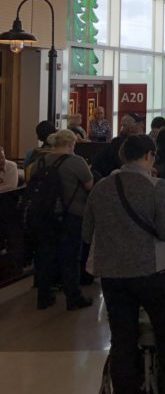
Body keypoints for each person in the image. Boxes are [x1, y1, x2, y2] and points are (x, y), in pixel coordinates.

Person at [82, 134, 165, 394]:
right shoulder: (156, 187)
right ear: (150, 156)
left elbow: (87, 232)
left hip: (113, 275)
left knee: (122, 339)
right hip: (151, 270)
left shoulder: (100, 188)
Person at [32, 129, 95, 310]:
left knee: (45, 256)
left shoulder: (40, 161)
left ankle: (43, 297)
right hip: (71, 215)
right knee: (70, 257)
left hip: (44, 215)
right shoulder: (76, 162)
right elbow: (89, 184)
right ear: (71, 144)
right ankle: (73, 297)